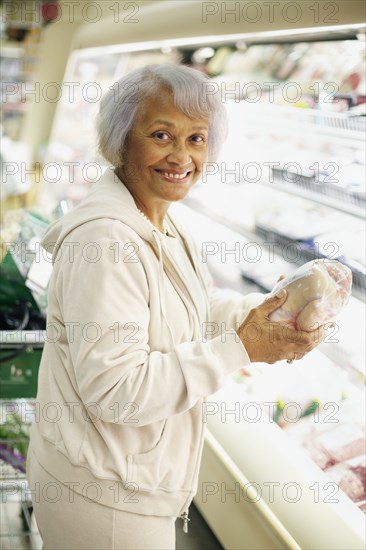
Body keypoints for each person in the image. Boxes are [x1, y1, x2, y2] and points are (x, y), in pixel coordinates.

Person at [27, 64, 325, 550]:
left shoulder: (162, 218)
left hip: (119, 480)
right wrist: (241, 348)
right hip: (103, 500)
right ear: (121, 140)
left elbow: (185, 307)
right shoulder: (107, 241)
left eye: (197, 138)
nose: (182, 155)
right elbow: (118, 391)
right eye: (162, 134)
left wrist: (265, 310)